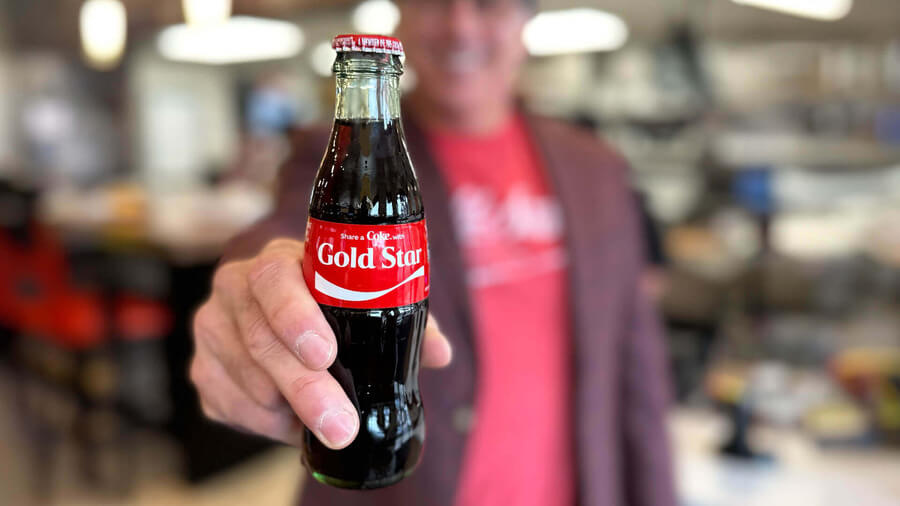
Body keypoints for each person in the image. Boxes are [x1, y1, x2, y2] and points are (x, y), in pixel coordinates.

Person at [189, 0, 677, 505]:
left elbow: (637, 361)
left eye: (488, 4)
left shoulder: (597, 166)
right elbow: (277, 238)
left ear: (527, 23)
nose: (460, 26)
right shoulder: (340, 153)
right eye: (433, 1)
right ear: (399, 16)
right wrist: (253, 294)